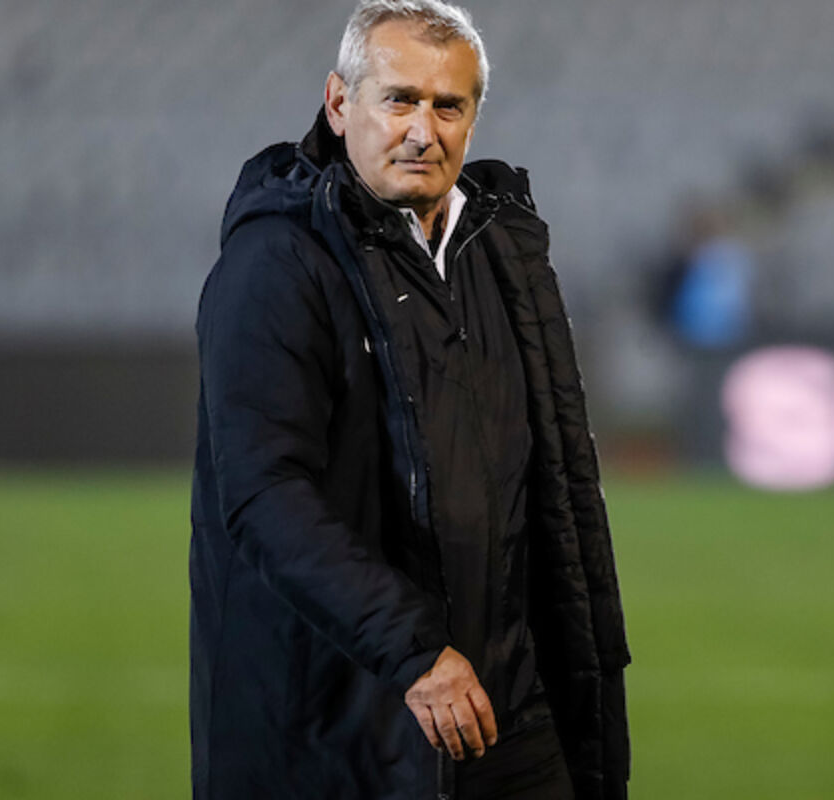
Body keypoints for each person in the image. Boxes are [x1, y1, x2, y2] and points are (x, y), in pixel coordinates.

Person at [189, 2, 629, 798]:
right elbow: (264, 494)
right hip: (349, 727)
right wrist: (417, 653)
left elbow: (550, 485)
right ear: (339, 103)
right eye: (399, 100)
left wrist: (574, 660)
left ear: (473, 119)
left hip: (506, 712)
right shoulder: (275, 262)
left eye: (447, 106)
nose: (423, 131)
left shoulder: (504, 253)